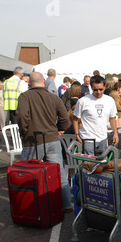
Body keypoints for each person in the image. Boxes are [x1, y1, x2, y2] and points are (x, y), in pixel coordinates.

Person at [17, 72, 72, 212]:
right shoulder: (53, 98)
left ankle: (30, 206)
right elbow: (65, 120)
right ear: (43, 81)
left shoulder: (25, 97)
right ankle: (66, 204)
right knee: (59, 172)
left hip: (33, 140)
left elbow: (22, 117)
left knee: (29, 174)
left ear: (29, 82)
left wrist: (23, 132)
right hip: (52, 139)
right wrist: (58, 129)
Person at [72, 75, 119, 155]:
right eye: (95, 90)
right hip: (88, 138)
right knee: (89, 164)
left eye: (101, 89)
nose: (98, 92)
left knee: (102, 164)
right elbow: (75, 118)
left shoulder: (109, 100)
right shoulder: (83, 101)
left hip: (103, 138)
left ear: (104, 86)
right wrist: (77, 134)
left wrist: (115, 133)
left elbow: (112, 118)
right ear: (91, 88)